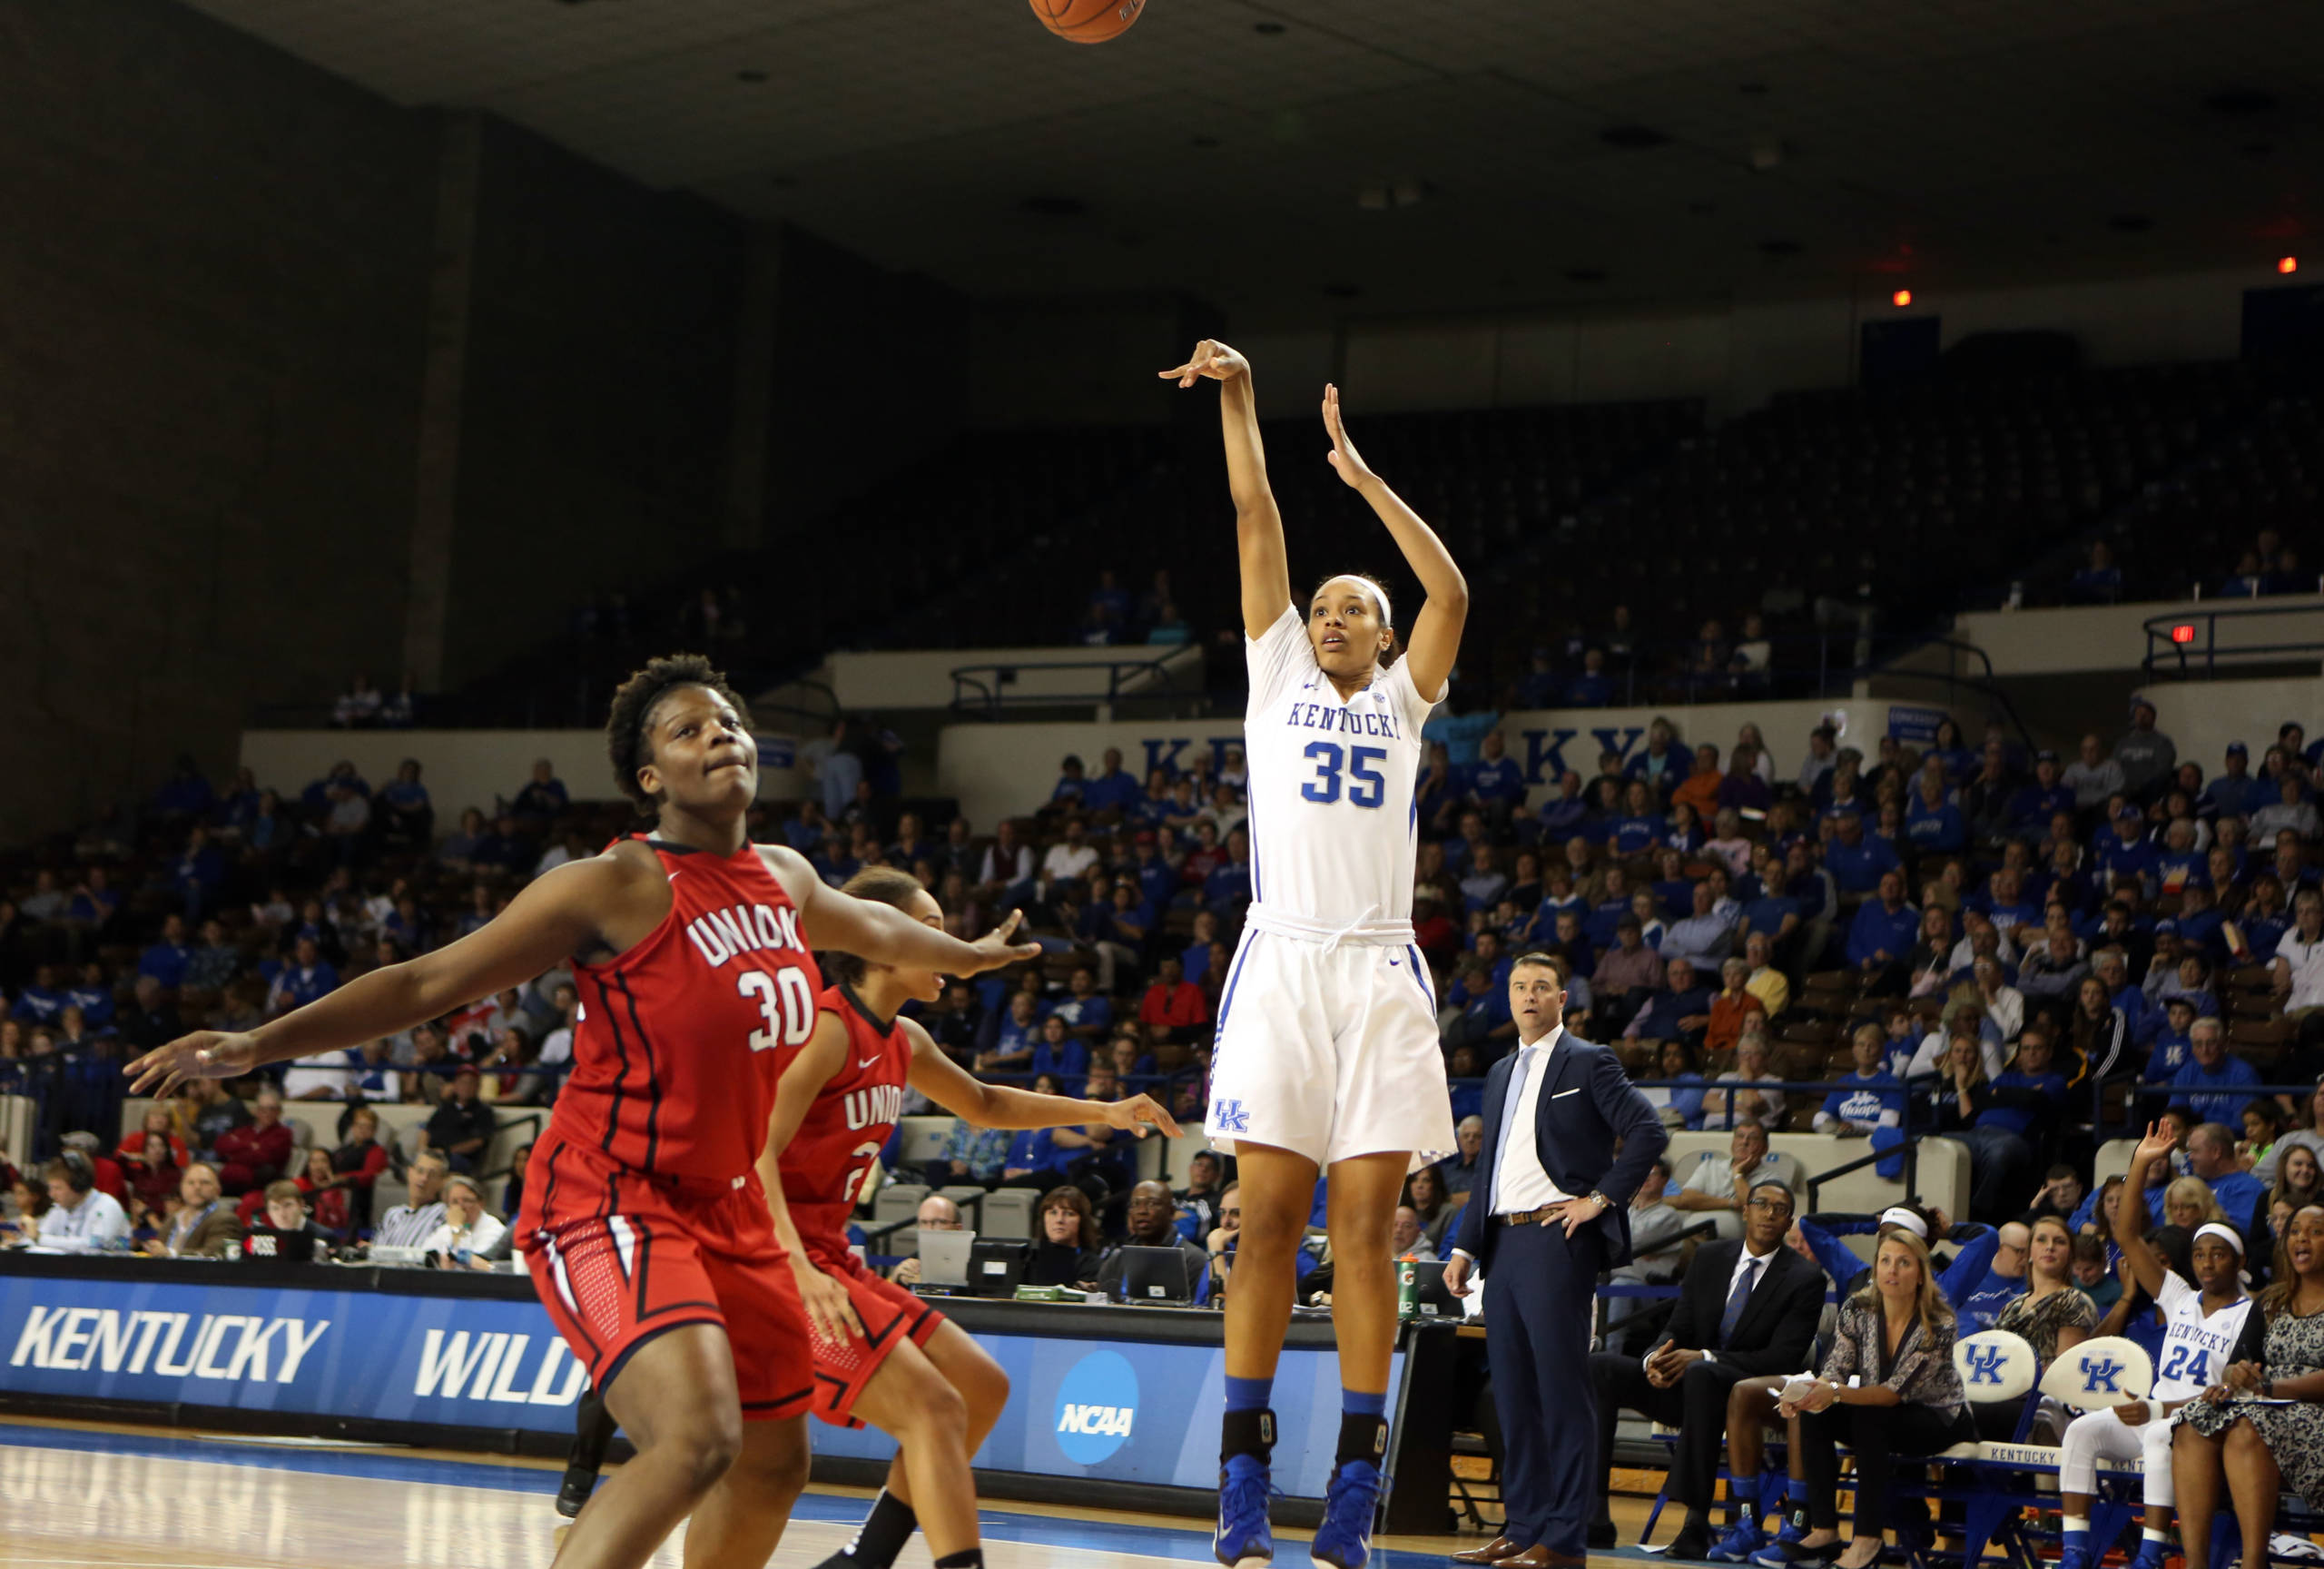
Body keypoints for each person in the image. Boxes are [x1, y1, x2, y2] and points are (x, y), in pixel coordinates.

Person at [126, 652, 1039, 1569]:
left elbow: (877, 928)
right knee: (694, 1440)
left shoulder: (787, 879)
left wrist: (966, 956)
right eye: (688, 730)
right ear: (650, 779)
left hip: (726, 1208)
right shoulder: (611, 886)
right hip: (609, 1197)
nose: (718, 735)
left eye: (727, 721)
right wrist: (256, 1045)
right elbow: (427, 979)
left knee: (772, 1463)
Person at [1164, 338, 1472, 1569]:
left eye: (1359, 609)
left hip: (1381, 972)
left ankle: (1354, 1481)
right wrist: (1241, 400)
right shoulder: (1275, 665)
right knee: (1265, 1223)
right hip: (1285, 960)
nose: (1335, 614)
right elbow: (1251, 510)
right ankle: (1241, 1475)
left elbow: (1451, 592)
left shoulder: (1404, 699)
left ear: (1389, 646)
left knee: (1364, 1237)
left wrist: (1365, 483)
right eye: (1328, 603)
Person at [1443, 953, 1668, 1569]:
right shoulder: (1496, 1072)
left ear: (1563, 998)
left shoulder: (1590, 1061)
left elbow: (1648, 1130)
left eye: (1541, 987)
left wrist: (1598, 1200)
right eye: (1519, 987)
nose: (1528, 996)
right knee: (1512, 1394)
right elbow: (1488, 1169)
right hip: (1502, 1245)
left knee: (1561, 1393)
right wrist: (1465, 1244)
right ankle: (1521, 1527)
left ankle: (1564, 1540)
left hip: (1556, 1238)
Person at [2056, 1124, 2257, 1569]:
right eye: (2200, 1254)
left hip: (2198, 1425)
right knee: (2080, 1430)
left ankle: (2150, 1553)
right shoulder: (2180, 1296)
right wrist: (2141, 1165)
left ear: (2239, 1261)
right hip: (2154, 1413)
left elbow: (2236, 1393)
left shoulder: (2251, 1313)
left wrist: (2157, 1411)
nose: (2207, 1263)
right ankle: (2074, 1552)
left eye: (2218, 1255)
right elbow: (2126, 1234)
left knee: (2164, 1437)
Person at [1586, 1180, 1822, 1558]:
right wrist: (1655, 1360)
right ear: (1745, 1210)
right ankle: (1594, 1514)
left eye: (1780, 1209)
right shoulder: (1710, 1257)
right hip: (1694, 1390)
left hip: (1754, 1396)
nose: (1770, 1213)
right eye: (1761, 1204)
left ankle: (1695, 1522)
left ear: (1789, 1221)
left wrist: (1705, 1358)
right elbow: (1678, 1328)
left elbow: (1782, 1359)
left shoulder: (1804, 1278)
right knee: (1601, 1368)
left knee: (1701, 1374)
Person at [1758, 1230, 1975, 1569]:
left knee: (1868, 1415)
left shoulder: (1939, 1323)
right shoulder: (1857, 1308)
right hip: (1881, 1413)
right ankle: (1825, 1530)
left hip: (1938, 1418)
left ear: (1920, 1273)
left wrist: (1835, 1393)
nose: (1892, 1270)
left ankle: (1867, 1539)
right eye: (1885, 1261)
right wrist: (1806, 1396)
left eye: (1904, 1263)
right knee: (1816, 1412)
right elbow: (1835, 1370)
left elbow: (1892, 1394)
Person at [2173, 1203, 2324, 1569]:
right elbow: (2236, 1364)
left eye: (2316, 1231)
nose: (2302, 1238)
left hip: (2312, 1413)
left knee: (2246, 1428)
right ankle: (2196, 1564)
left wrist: (2275, 1389)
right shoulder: (2272, 1301)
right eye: (2294, 1231)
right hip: (2263, 1405)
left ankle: (2254, 1562)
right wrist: (2236, 1375)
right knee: (2192, 1422)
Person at [1098, 1179, 1215, 1301]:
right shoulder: (1116, 1260)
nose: (1142, 1211)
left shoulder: (1194, 1260)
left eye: (1152, 1203)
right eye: (1135, 1204)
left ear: (1171, 1212)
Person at [35, 1151, 129, 1250]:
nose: (51, 1194)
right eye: (51, 1188)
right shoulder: (60, 1208)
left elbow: (94, 1246)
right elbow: (40, 1236)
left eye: (58, 1188)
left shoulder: (107, 1206)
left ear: (78, 1185)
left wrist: (40, 1238)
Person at [150, 1160, 241, 1258]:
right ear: (181, 1188)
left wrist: (171, 1254)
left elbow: (215, 1253)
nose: (197, 1187)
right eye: (191, 1183)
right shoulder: (173, 1218)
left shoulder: (226, 1220)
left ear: (218, 1190)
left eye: (205, 1183)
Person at [420, 1172, 507, 1268]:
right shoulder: (447, 1229)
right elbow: (424, 1255)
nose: (460, 1207)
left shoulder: (494, 1229)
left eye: (466, 1200)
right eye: (454, 1202)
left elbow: (473, 1263)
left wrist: (458, 1230)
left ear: (481, 1203)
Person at [374, 1149, 448, 1249]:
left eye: (432, 1175)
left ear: (441, 1182)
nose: (424, 1178)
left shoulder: (442, 1213)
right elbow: (376, 1253)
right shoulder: (392, 1214)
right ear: (410, 1173)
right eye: (420, 1171)